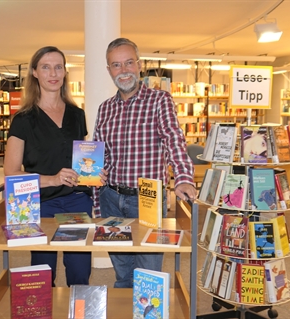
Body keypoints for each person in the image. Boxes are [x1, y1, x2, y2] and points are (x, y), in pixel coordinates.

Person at [93, 38, 197, 288]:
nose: (124, 70)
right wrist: (95, 175)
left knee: (148, 272)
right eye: (116, 65)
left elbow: (174, 139)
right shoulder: (105, 109)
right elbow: (99, 154)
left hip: (147, 200)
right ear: (109, 70)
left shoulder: (160, 100)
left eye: (129, 62)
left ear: (139, 65)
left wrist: (183, 178)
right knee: (121, 270)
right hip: (111, 200)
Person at [4, 46, 105, 287]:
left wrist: (93, 172)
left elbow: (81, 161)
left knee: (80, 271)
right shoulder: (23, 119)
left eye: (58, 67)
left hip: (77, 199)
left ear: (65, 72)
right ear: (35, 73)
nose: (53, 73)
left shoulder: (77, 115)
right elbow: (10, 173)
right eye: (46, 67)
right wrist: (53, 179)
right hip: (40, 202)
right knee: (43, 271)